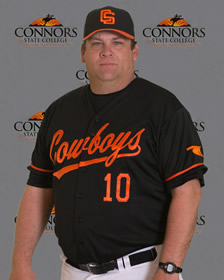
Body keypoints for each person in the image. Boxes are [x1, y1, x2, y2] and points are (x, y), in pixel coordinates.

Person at [9, 6, 207, 280]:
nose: (106, 51)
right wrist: (21, 263)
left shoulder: (163, 109)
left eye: (118, 42)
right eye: (96, 43)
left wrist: (169, 268)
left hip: (142, 270)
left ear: (134, 51)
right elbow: (38, 188)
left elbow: (188, 192)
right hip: (72, 271)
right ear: (82, 53)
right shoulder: (59, 111)